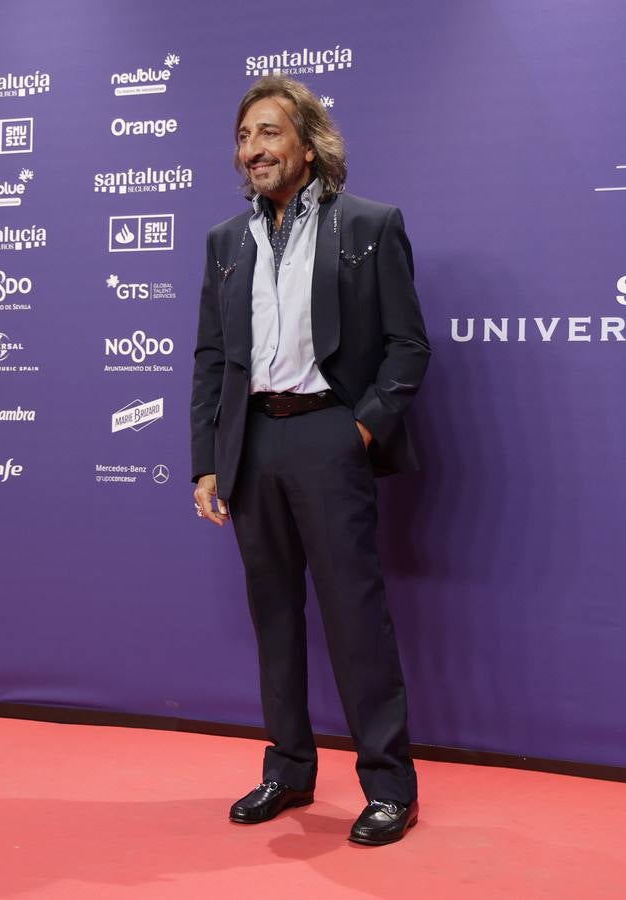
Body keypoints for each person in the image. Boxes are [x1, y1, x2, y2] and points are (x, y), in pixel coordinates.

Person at [189, 76, 430, 846]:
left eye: (266, 134)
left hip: (327, 433)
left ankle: (388, 786)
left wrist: (359, 429)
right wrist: (206, 460)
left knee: (355, 619)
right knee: (273, 619)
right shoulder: (228, 241)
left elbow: (406, 346)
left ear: (307, 144)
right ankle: (288, 769)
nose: (250, 150)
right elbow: (209, 359)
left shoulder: (368, 225)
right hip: (250, 443)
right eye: (243, 137)